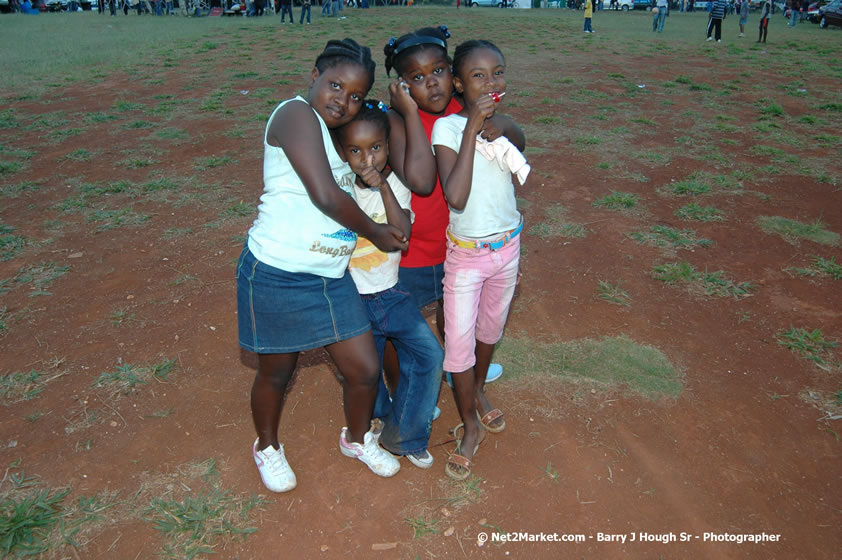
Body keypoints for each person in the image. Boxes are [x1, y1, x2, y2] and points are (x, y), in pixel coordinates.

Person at [237, 39, 406, 493]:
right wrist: (374, 231)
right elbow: (326, 196)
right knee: (277, 372)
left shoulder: (333, 131)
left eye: (355, 96)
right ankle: (267, 447)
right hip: (276, 272)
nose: (342, 101)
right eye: (335, 85)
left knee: (364, 369)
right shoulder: (294, 115)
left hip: (330, 278)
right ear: (314, 75)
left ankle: (356, 439)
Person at [380, 27, 510, 401]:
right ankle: (402, 389)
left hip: (461, 247)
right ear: (401, 86)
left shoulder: (463, 108)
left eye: (438, 71)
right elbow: (421, 181)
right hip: (413, 253)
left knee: (454, 316)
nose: (432, 85)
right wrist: (407, 112)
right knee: (399, 326)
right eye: (416, 78)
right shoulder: (395, 121)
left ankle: (461, 374)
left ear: (453, 74)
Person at [431, 40, 529, 480]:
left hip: (507, 248)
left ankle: (480, 392)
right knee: (458, 345)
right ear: (457, 83)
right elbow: (455, 196)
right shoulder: (447, 131)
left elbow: (522, 144)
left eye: (499, 72)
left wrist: (502, 123)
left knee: (491, 331)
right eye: (479, 75)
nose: (492, 83)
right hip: (467, 257)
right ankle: (469, 424)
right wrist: (472, 129)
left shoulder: (504, 123)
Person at [339, 101, 444, 470]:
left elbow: (401, 234)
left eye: (375, 148)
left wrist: (382, 186)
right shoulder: (336, 189)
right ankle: (382, 416)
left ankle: (406, 434)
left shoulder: (396, 184)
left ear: (387, 146)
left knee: (431, 356)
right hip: (350, 299)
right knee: (367, 373)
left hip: (391, 293)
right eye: (355, 150)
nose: (366, 159)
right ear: (341, 152)